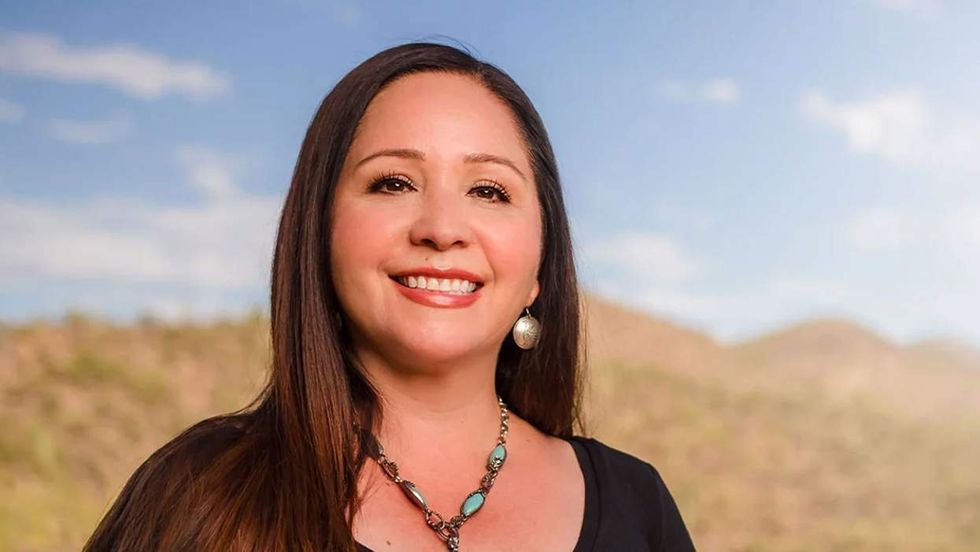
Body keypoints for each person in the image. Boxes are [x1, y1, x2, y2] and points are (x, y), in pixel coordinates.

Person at [83, 41, 696, 552]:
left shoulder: (638, 506)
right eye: (393, 182)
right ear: (319, 233)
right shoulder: (196, 499)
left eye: (488, 191)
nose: (442, 228)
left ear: (540, 264)